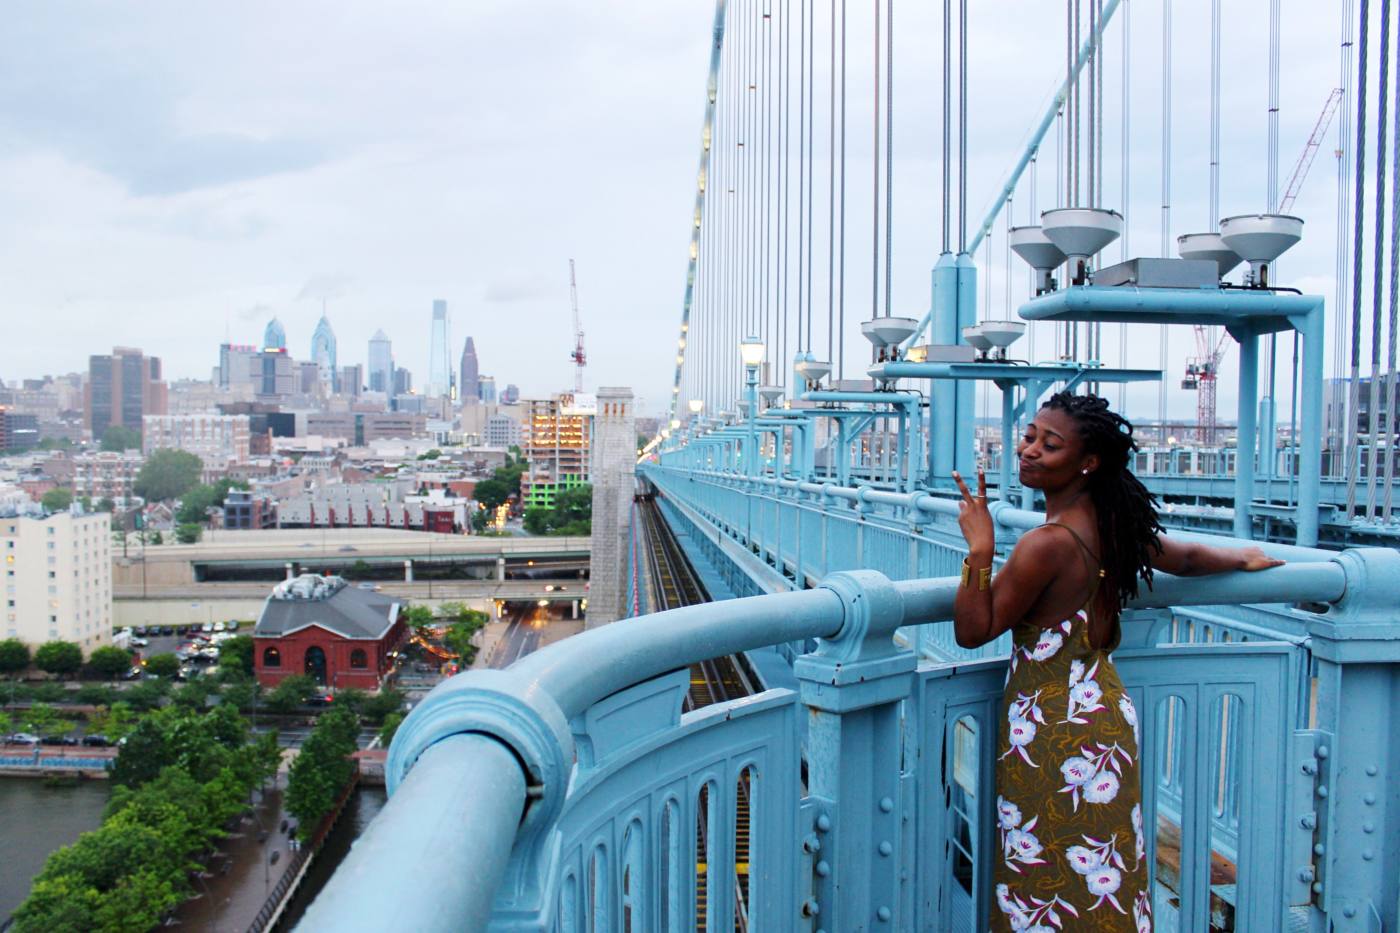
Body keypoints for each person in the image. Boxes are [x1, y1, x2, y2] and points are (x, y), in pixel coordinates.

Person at [951, 391, 1281, 932]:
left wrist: (981, 550)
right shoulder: (1112, 525)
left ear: (1088, 462)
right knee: (1104, 867)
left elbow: (973, 630)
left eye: (1049, 445)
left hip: (1051, 733)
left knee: (1045, 870)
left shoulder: (1046, 544)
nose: (1029, 450)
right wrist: (1241, 555)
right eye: (1030, 435)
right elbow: (1189, 557)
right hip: (1104, 721)